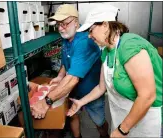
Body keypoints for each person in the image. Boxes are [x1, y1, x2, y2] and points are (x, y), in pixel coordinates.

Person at [67, 3, 163, 137]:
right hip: (124, 118)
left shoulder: (129, 46)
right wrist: (81, 102)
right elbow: (101, 88)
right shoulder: (106, 52)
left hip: (149, 118)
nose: (89, 36)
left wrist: (122, 131)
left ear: (105, 25)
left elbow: (147, 96)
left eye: (91, 30)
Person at [30, 4, 109, 138]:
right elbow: (66, 62)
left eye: (65, 24)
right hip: (73, 91)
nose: (61, 28)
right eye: (58, 24)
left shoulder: (84, 42)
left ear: (76, 23)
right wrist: (60, 76)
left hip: (91, 92)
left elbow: (73, 78)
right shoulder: (67, 38)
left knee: (98, 122)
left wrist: (46, 102)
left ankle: (104, 135)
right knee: (72, 115)